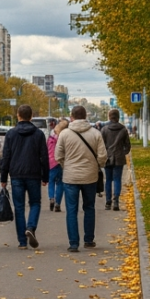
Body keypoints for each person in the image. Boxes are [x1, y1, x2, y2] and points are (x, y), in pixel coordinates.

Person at [54, 105, 107, 253]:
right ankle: (89, 240)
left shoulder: (65, 134)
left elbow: (58, 156)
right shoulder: (95, 133)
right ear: (86, 116)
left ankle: (73, 243)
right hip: (90, 176)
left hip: (70, 177)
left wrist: (67, 166)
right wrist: (97, 166)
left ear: (72, 117)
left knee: (71, 210)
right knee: (89, 207)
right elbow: (103, 156)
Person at [0, 105, 49, 249]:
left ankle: (22, 241)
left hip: (16, 175)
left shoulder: (11, 134)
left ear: (18, 116)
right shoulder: (39, 134)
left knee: (19, 207)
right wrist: (45, 176)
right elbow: (44, 157)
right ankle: (31, 227)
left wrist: (3, 178)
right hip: (34, 174)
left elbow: (6, 158)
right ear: (31, 116)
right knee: (35, 203)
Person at [101, 109, 132, 210]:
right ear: (118, 117)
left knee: (108, 180)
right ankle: (116, 202)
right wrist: (123, 153)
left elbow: (101, 145)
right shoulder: (123, 129)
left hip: (107, 158)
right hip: (119, 158)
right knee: (117, 179)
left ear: (109, 117)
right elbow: (127, 145)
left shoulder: (104, 129)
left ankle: (108, 201)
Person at [48, 120, 67, 212]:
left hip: (51, 162)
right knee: (60, 183)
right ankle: (58, 203)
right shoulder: (65, 138)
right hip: (61, 162)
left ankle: (51, 197)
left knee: (51, 182)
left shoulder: (51, 138)